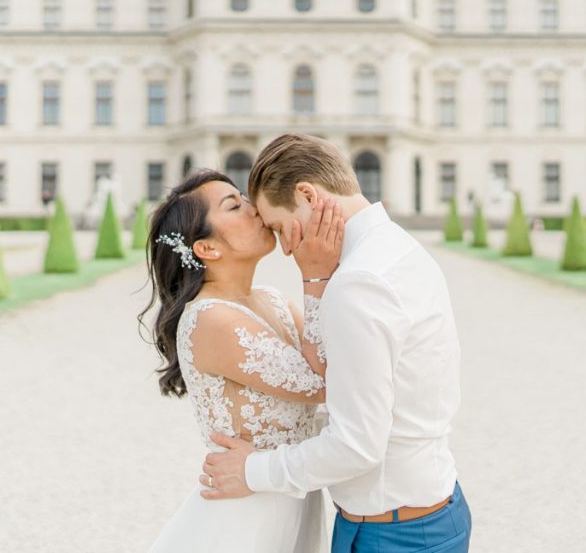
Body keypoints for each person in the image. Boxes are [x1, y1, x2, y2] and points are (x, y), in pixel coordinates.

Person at [200, 133, 472, 553]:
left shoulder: (357, 282)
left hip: (391, 533)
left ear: (307, 195)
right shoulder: (399, 246)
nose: (285, 247)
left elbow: (356, 446)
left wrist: (253, 471)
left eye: (278, 226)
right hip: (437, 503)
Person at [140, 169, 343, 552]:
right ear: (207, 248)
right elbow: (322, 383)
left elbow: (333, 362)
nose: (254, 209)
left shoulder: (272, 300)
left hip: (287, 497)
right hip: (245, 515)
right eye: (234, 205)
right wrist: (315, 275)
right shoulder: (211, 319)